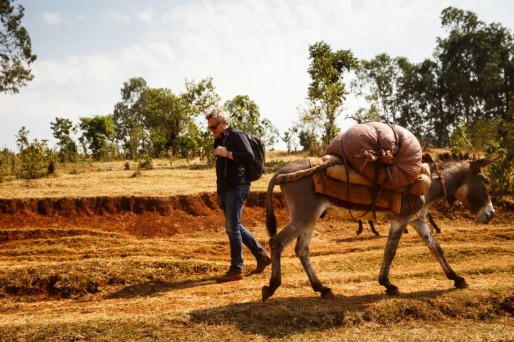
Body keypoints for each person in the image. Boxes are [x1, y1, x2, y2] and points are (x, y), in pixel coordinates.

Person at [205, 108, 271, 283]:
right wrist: (219, 192)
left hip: (237, 186)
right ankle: (262, 256)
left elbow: (248, 156)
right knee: (236, 226)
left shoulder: (236, 135)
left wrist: (227, 153)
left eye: (214, 127)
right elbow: (221, 169)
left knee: (232, 228)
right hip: (226, 189)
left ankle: (236, 269)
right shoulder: (220, 139)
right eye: (210, 128)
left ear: (224, 123)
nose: (212, 131)